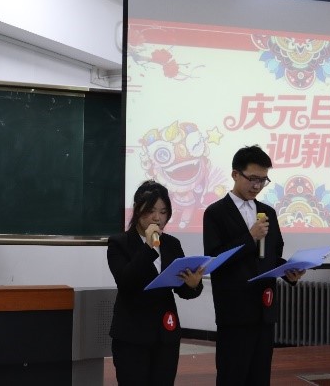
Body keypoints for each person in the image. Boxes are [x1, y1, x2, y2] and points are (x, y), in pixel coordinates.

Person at [203, 145, 305, 386]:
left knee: (260, 377)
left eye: (263, 180)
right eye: (252, 179)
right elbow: (215, 259)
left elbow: (272, 257)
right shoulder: (216, 213)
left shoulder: (267, 212)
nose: (257, 186)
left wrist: (289, 272)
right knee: (233, 376)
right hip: (234, 312)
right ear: (235, 174)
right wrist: (250, 238)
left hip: (264, 310)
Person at [107, 180, 204, 386]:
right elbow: (126, 282)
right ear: (137, 209)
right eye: (151, 211)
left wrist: (193, 284)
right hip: (132, 335)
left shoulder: (172, 244)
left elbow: (182, 291)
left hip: (165, 334)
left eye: (163, 212)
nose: (157, 218)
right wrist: (149, 247)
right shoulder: (119, 243)